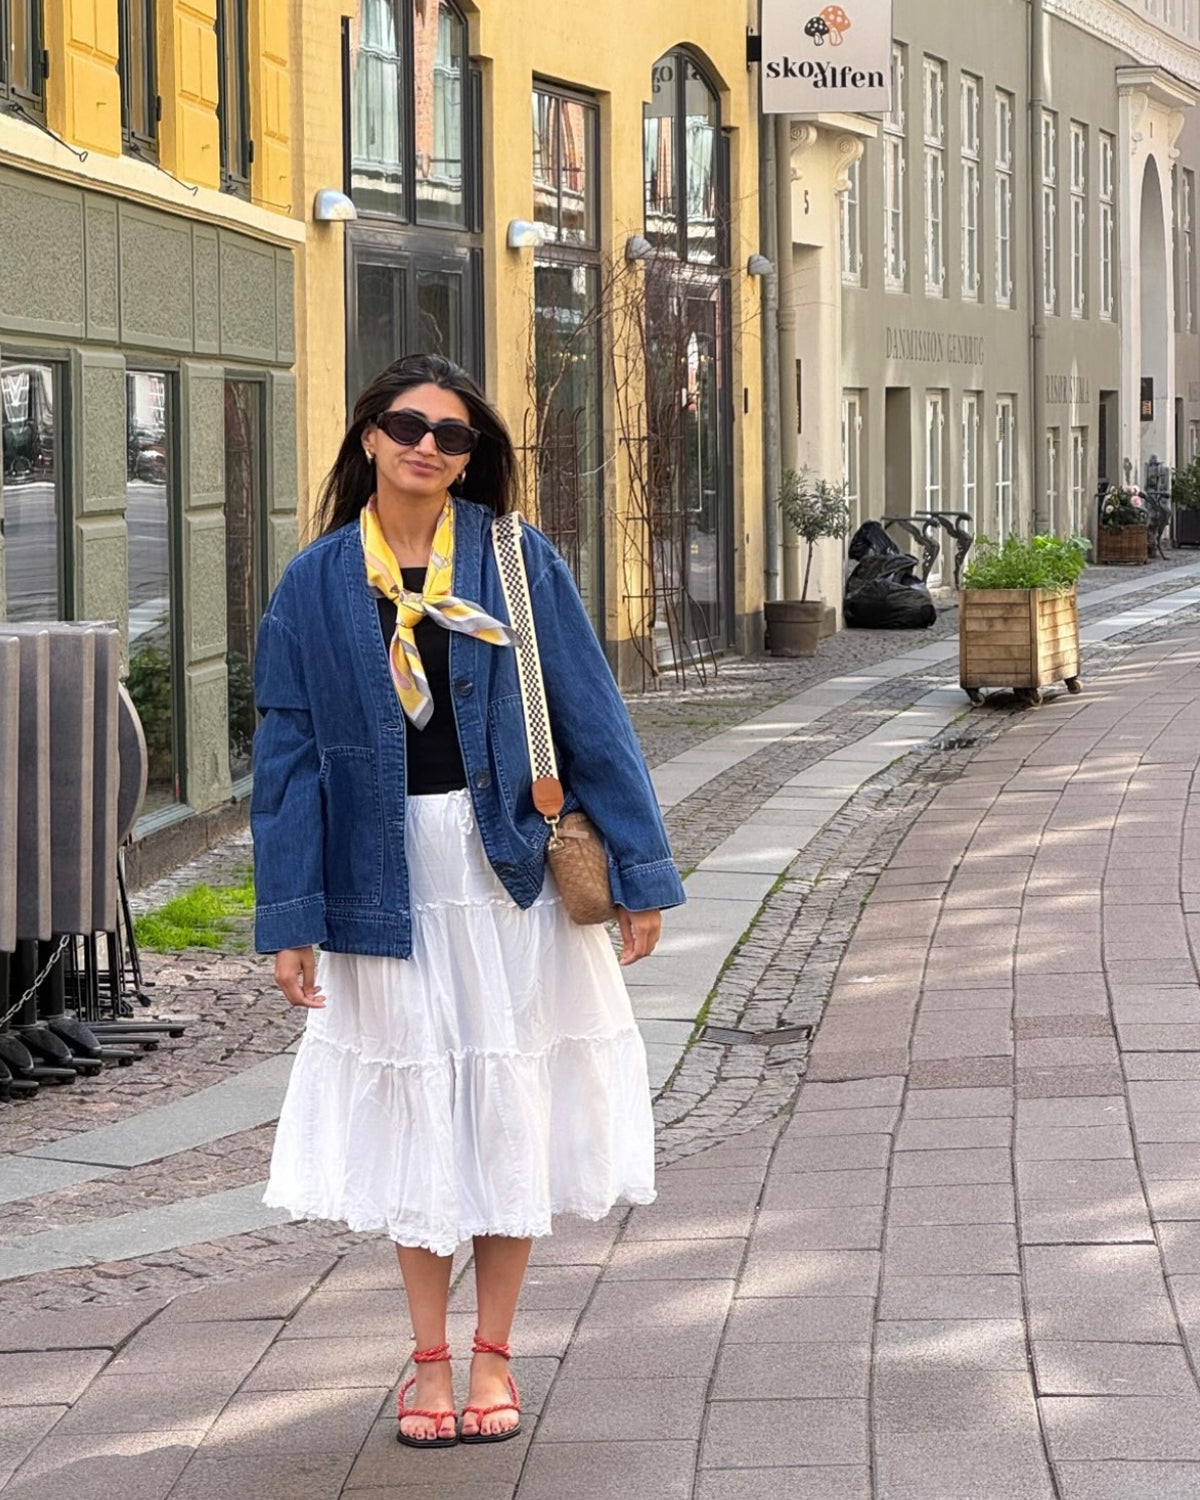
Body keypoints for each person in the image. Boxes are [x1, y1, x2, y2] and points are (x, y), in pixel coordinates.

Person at [251, 354, 685, 1449]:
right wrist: (290, 915)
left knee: (508, 1103)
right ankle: (427, 1360)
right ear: (369, 437)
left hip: (510, 873)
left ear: (468, 456)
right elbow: (287, 759)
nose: (427, 447)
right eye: (408, 426)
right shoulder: (314, 584)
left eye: (451, 435)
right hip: (382, 879)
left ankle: (493, 1352)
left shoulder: (513, 557)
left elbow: (591, 714)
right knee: (417, 1114)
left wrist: (639, 873)